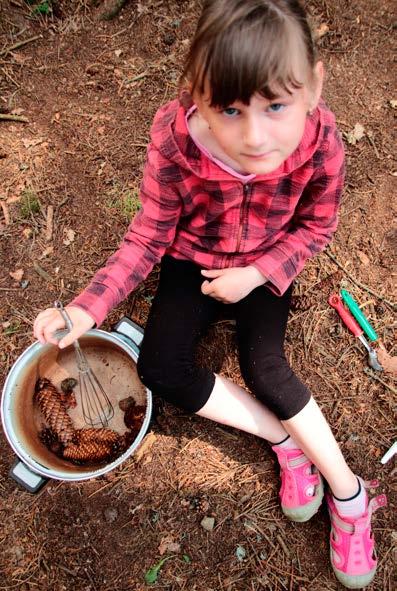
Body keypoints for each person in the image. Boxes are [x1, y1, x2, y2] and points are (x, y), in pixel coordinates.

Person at [33, 1, 386, 587]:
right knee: (159, 367)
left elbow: (317, 227)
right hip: (191, 260)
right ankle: (282, 440)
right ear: (195, 94)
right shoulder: (174, 143)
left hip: (266, 264)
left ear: (314, 87)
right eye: (229, 109)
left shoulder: (321, 141)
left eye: (276, 106)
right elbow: (147, 236)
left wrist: (258, 272)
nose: (254, 136)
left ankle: (349, 497)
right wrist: (86, 307)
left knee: (266, 367)